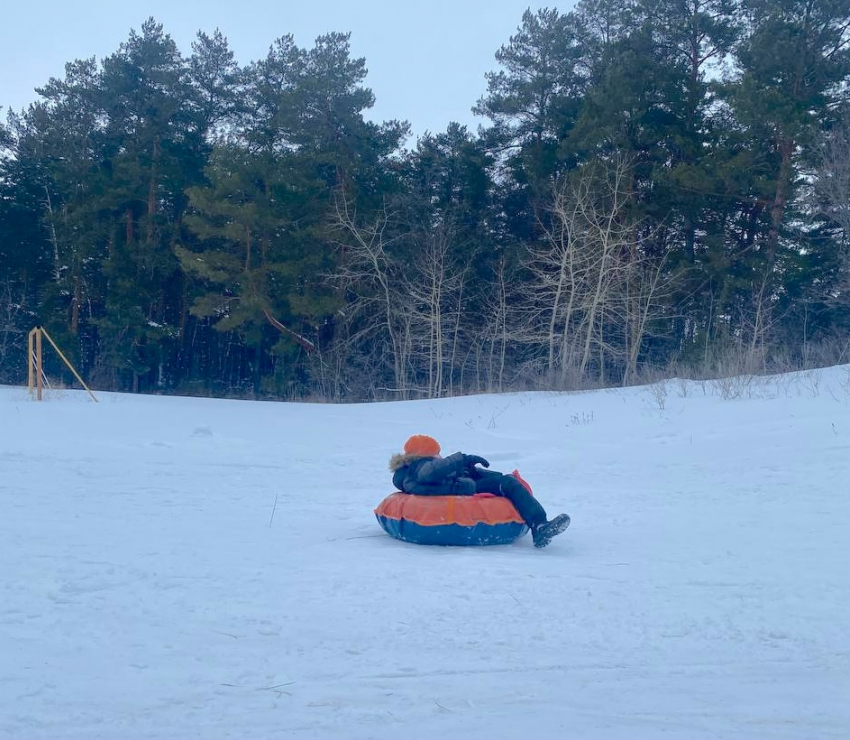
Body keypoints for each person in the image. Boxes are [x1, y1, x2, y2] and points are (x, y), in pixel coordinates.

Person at [389, 434, 570, 548]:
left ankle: (538, 524)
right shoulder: (420, 466)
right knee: (507, 485)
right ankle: (539, 526)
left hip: (461, 485)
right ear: (425, 454)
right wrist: (463, 458)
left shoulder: (413, 469)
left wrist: (472, 468)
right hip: (461, 490)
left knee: (506, 480)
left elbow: (443, 473)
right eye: (437, 453)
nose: (440, 455)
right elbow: (430, 473)